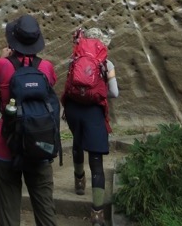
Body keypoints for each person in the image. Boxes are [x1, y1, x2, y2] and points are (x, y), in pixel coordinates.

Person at [0, 14, 59, 226]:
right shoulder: (46, 68)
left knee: (7, 211)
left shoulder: (2, 65)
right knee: (45, 210)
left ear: (13, 41)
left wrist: (2, 58)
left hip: (6, 144)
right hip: (39, 145)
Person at [62, 26, 119, 226]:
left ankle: (79, 181)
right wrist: (98, 93)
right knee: (97, 164)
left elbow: (69, 85)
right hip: (94, 111)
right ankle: (97, 214)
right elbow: (115, 92)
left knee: (77, 142)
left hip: (73, 109)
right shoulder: (106, 63)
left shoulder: (75, 59)